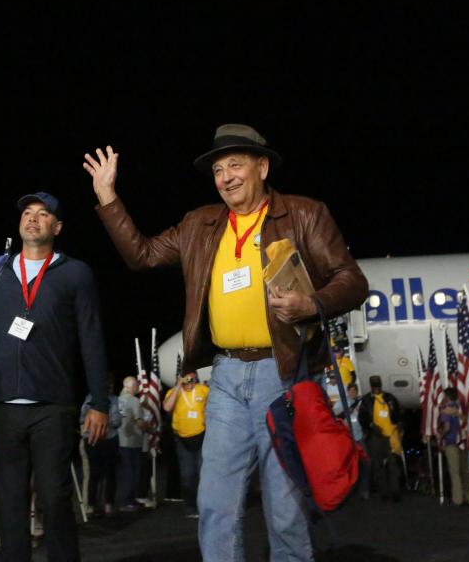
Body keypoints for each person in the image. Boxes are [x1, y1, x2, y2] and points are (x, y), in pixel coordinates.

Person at [84, 124, 368, 561]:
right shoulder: (201, 223)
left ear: (263, 166)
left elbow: (352, 281)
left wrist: (310, 303)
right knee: (215, 503)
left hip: (283, 375)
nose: (226, 177)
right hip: (227, 378)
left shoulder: (304, 214)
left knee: (286, 507)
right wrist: (108, 197)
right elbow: (141, 255)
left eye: (236, 164)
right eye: (218, 169)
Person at [0, 191, 110, 562]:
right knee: (10, 503)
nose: (32, 218)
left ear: (57, 226)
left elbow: (91, 339)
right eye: (27, 212)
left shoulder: (75, 273)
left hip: (53, 408)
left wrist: (99, 402)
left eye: (43, 213)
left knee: (54, 499)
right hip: (4, 407)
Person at [163, 370, 210, 518]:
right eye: (187, 380)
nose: (190, 383)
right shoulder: (173, 392)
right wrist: (178, 387)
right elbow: (167, 407)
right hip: (183, 440)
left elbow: (212, 405)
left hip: (202, 438)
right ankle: (190, 507)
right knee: (188, 476)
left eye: (192, 380)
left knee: (203, 474)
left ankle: (204, 507)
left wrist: (208, 415)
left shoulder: (203, 389)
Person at [80, 375, 122, 518]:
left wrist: (103, 421)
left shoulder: (115, 400)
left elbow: (117, 420)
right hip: (93, 440)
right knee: (94, 474)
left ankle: (108, 504)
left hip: (110, 439)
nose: (110, 389)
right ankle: (92, 505)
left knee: (110, 474)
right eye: (108, 386)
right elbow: (83, 419)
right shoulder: (89, 399)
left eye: (111, 386)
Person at [358, 375, 403, 502]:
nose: (376, 389)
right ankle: (384, 492)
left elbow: (398, 413)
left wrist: (399, 426)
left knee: (393, 465)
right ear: (371, 387)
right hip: (375, 437)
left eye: (378, 386)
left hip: (391, 436)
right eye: (374, 386)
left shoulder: (390, 398)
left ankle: (395, 492)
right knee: (378, 466)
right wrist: (371, 426)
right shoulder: (367, 400)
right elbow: (362, 418)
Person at [435, 388, 469, 506]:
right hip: (463, 441)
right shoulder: (460, 408)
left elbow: (447, 427)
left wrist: (440, 436)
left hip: (451, 442)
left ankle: (458, 499)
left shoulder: (446, 410)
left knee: (455, 472)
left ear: (446, 396)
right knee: (465, 470)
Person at [116, 375, 147, 512]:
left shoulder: (118, 400)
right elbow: (139, 421)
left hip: (119, 440)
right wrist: (150, 428)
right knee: (133, 472)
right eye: (136, 386)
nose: (138, 388)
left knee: (126, 472)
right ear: (130, 387)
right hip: (133, 441)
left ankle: (128, 500)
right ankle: (128, 501)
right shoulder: (134, 401)